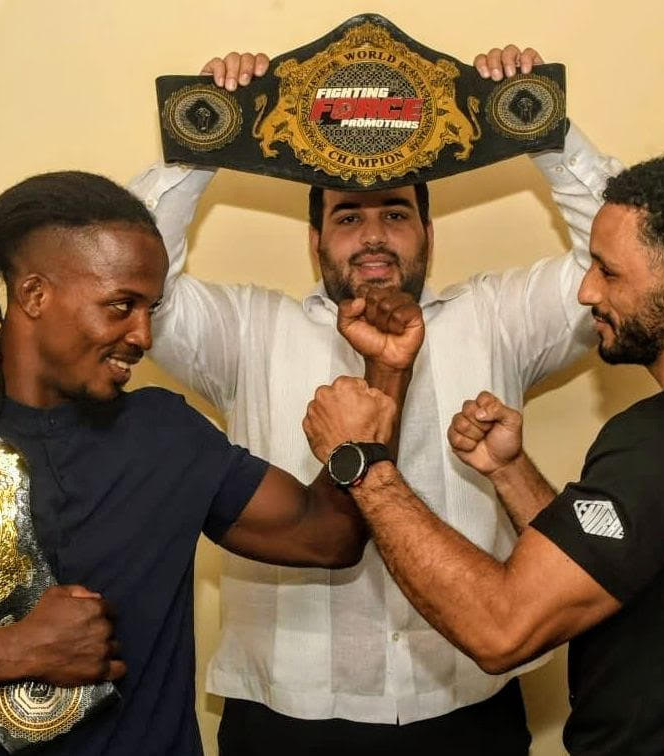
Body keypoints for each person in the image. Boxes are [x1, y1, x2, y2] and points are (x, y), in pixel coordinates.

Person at [0, 170, 402, 756]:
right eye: (121, 305)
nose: (143, 336)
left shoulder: (168, 436)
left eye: (150, 308)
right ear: (34, 295)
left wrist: (386, 373)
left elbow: (329, 536)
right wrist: (12, 651)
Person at [132, 46, 621, 753]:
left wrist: (535, 121)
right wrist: (210, 131)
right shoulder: (248, 331)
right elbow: (138, 285)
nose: (372, 237)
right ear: (315, 240)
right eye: (347, 218)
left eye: (395, 214)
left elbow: (616, 261)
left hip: (466, 703)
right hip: (286, 714)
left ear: (428, 233)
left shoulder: (496, 318)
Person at [303, 154, 664, 755]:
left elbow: (502, 629)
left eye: (608, 271)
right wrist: (510, 472)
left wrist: (363, 463)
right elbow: (607, 569)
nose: (587, 290)